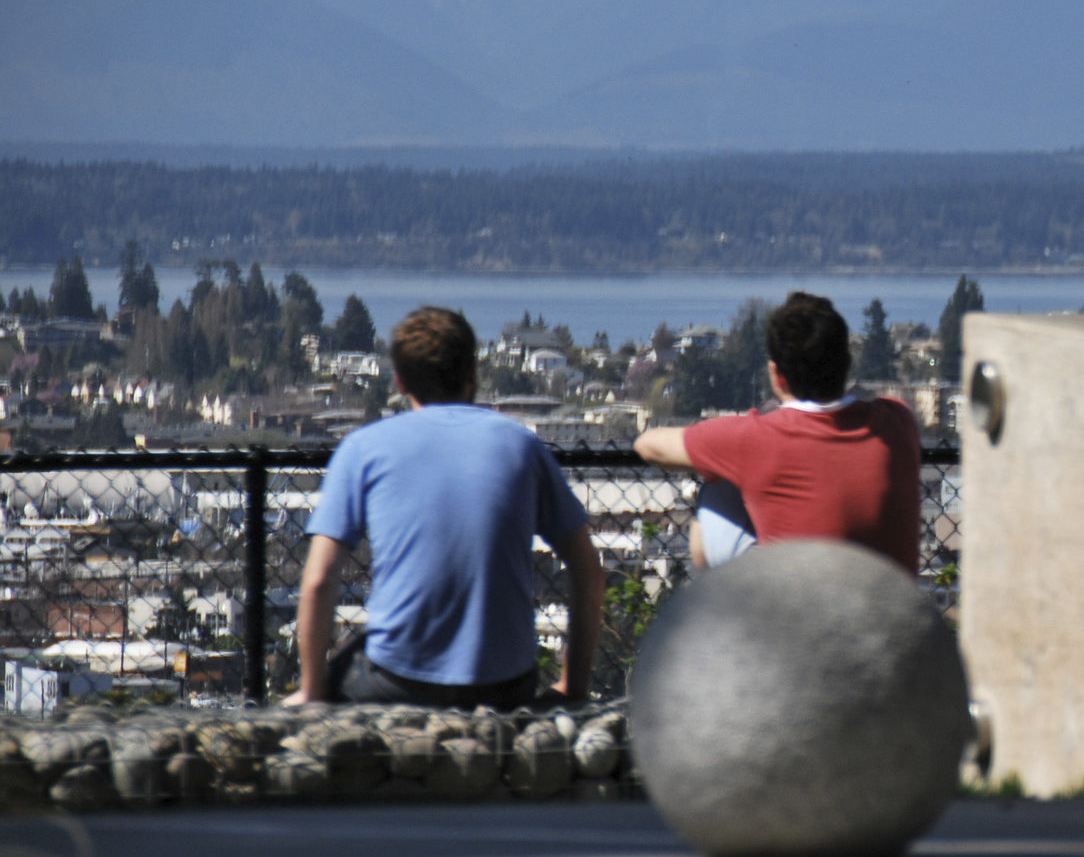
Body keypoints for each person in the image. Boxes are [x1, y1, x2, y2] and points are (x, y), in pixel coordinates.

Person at [286, 306, 604, 709]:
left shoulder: (363, 449)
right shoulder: (521, 445)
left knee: (351, 658)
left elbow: (318, 580)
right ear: (472, 372)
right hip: (507, 686)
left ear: (400, 381)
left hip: (397, 683)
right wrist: (573, 687)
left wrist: (312, 690)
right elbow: (588, 570)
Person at [636, 292, 922, 573]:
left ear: (777, 375)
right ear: (846, 363)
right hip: (892, 610)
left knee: (719, 479)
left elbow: (648, 445)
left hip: (793, 610)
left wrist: (722, 448)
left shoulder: (757, 439)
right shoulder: (898, 421)